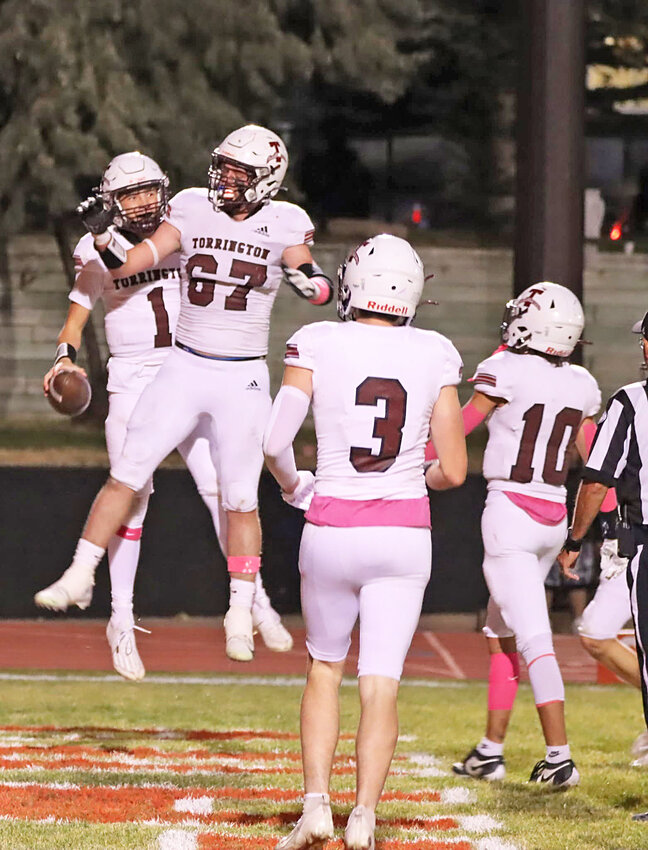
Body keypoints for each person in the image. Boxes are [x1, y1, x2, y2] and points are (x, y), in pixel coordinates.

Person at [35, 125, 332, 663]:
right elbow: (104, 285)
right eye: (130, 194)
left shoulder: (275, 219)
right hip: (154, 370)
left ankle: (253, 602)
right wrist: (65, 356)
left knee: (227, 492)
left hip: (229, 372)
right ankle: (113, 609)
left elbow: (308, 268)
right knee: (131, 486)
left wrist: (312, 281)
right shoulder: (191, 211)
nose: (144, 202)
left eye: (149, 190)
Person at [263, 234, 467, 850]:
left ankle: (317, 807)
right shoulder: (435, 351)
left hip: (331, 526)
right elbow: (454, 471)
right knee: (381, 681)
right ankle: (365, 818)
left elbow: (274, 441)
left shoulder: (320, 341)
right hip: (404, 534)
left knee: (325, 668)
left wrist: (296, 485)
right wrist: (415, 480)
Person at [451, 282, 601, 789]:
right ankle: (490, 751)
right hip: (552, 517)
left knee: (534, 636)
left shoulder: (506, 370)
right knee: (501, 634)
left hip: (511, 512)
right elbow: (595, 460)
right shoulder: (581, 382)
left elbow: (463, 424)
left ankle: (559, 756)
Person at [558, 310, 648, 818]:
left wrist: (575, 538)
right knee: (595, 631)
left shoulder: (631, 403)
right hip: (629, 544)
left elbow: (596, 482)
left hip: (640, 544)